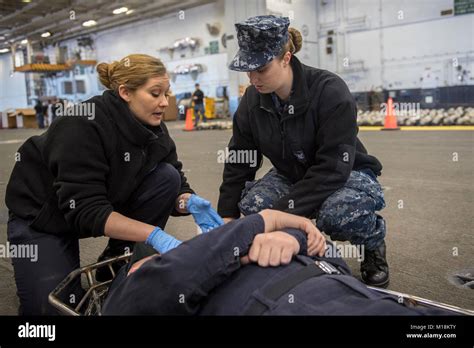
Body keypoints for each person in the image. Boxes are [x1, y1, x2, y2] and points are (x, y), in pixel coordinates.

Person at [5, 54, 223, 315]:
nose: (164, 103)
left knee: (167, 177)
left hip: (100, 200)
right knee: (55, 310)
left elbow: (175, 179)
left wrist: (187, 201)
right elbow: (86, 211)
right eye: (155, 94)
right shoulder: (81, 126)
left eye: (166, 93)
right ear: (125, 92)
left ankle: (117, 258)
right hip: (44, 217)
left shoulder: (154, 128)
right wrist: (153, 235)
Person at [217, 15, 389, 287]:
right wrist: (226, 216)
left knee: (337, 215)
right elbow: (241, 158)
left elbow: (332, 168)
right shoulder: (252, 101)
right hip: (291, 173)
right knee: (253, 207)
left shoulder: (330, 91)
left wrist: (279, 216)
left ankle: (373, 242)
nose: (252, 78)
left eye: (260, 69)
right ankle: (299, 248)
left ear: (286, 58)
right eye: (247, 70)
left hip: (344, 172)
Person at [102, 210, 451, 316]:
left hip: (355, 294)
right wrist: (261, 221)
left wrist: (292, 239)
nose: (174, 254)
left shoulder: (220, 257)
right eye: (161, 257)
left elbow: (332, 259)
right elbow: (171, 278)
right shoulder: (138, 291)